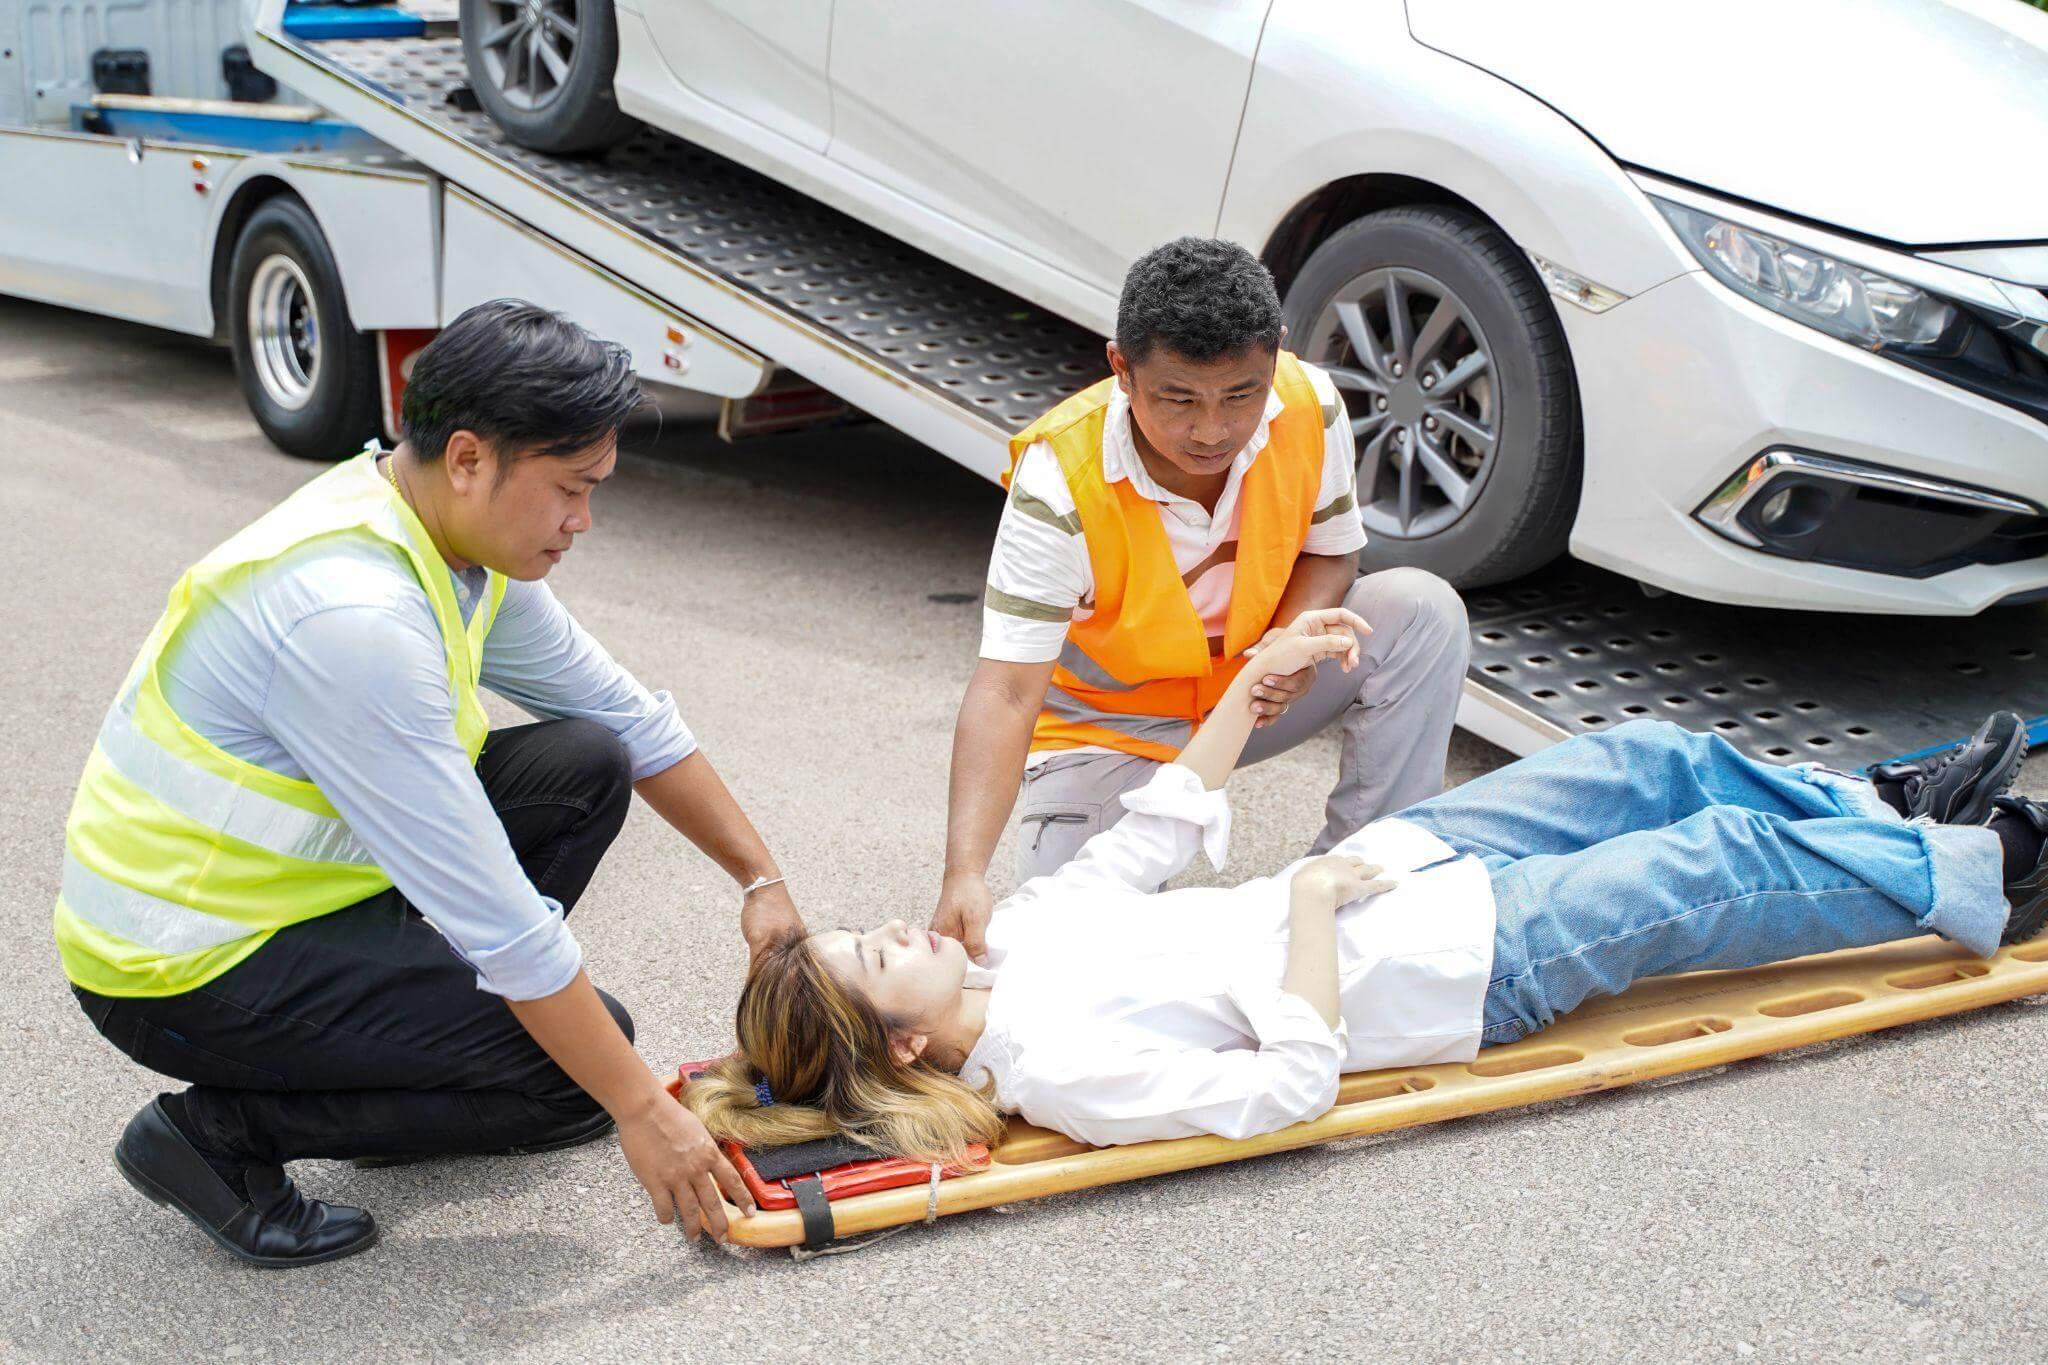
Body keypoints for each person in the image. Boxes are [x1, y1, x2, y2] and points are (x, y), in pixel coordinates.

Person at [685, 609, 2042, 1160]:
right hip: (1465, 965)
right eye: (882, 954)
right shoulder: (1063, 1076)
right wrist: (1308, 917)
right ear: (904, 1044)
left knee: (1645, 757)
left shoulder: (1022, 938)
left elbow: (1153, 831)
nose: (903, 926)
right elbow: (1286, 1090)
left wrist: (1252, 685)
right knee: (1720, 865)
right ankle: (1996, 865)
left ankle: (1891, 813)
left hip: (1409, 865)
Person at [59, 301, 804, 1267]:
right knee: (576, 1073)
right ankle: (216, 1138)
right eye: (571, 489)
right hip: (177, 958)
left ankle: (409, 1058)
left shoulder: (449, 539)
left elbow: (628, 719)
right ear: (467, 458)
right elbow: (502, 924)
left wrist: (761, 880)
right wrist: (639, 1108)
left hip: (291, 899)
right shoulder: (353, 618)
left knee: (586, 763)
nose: (583, 521)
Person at [933, 237, 1469, 965]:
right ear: (1122, 369)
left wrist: (1286, 649)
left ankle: (1363, 886)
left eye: (1240, 395)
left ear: (1275, 355)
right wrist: (964, 872)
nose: (1212, 430)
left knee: (1419, 611)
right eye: (1179, 399)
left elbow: (1332, 550)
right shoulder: (1058, 482)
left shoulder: (1309, 404)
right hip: (1110, 731)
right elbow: (1005, 692)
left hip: (1248, 694)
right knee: (1068, 954)